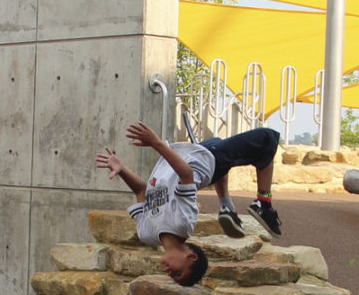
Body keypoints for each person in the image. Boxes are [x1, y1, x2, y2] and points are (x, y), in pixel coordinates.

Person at [95, 122, 284, 286]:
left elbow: (141, 191)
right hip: (210, 159)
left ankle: (227, 206)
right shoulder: (183, 223)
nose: (169, 273)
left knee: (222, 151)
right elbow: (186, 175)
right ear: (190, 257)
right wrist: (156, 143)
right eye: (178, 273)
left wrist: (121, 170)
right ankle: (264, 204)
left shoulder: (147, 234)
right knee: (268, 138)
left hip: (192, 152)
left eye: (172, 276)